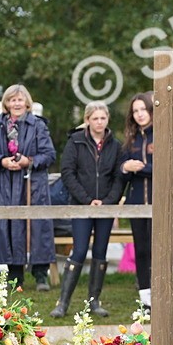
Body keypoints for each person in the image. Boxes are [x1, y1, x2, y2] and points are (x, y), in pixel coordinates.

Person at [51, 101, 124, 318]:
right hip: (81, 205)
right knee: (80, 250)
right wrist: (86, 199)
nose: (99, 122)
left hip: (105, 207)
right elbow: (67, 172)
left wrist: (108, 201)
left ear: (107, 119)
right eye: (95, 118)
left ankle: (94, 301)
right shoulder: (76, 141)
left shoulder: (116, 145)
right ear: (87, 120)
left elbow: (119, 178)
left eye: (103, 118)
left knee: (100, 252)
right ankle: (62, 303)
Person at [0, 83, 56, 291]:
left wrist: (28, 161)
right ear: (6, 103)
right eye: (12, 99)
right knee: (9, 229)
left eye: (20, 99)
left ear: (27, 103)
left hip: (32, 185)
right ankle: (15, 278)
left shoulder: (38, 125)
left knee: (37, 228)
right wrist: (2, 161)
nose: (16, 103)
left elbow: (49, 155)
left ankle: (41, 275)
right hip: (5, 185)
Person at [120, 92, 155, 313]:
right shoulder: (131, 139)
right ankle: (145, 300)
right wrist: (125, 168)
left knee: (159, 250)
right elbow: (121, 171)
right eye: (135, 111)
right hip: (135, 202)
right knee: (141, 250)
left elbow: (168, 168)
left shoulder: (161, 135)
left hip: (157, 201)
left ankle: (162, 295)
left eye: (143, 109)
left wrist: (141, 168)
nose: (140, 114)